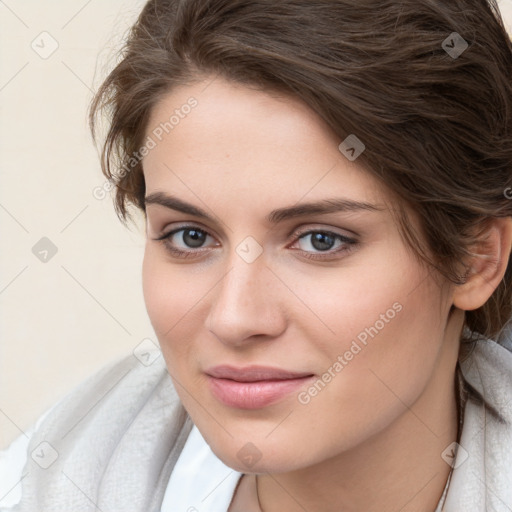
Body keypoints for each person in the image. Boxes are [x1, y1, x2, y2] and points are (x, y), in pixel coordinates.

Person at [2, 0, 512, 510]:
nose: (234, 318)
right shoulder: (44, 481)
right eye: (191, 236)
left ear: (475, 258)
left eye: (320, 240)